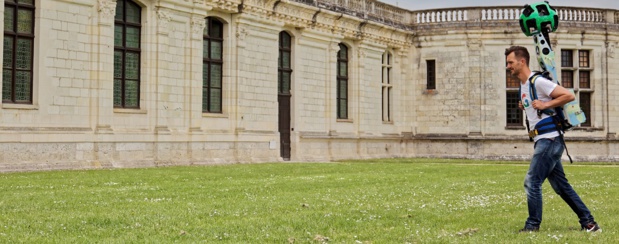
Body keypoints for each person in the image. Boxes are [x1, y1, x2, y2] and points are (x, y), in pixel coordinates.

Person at [504, 46, 601, 233]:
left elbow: (568, 95)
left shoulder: (538, 81)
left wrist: (545, 103)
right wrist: (528, 106)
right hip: (542, 140)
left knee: (532, 182)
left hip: (550, 140)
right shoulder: (524, 86)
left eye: (510, 62)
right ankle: (589, 223)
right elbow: (536, 107)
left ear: (522, 61)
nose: (508, 66)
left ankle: (532, 226)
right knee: (561, 187)